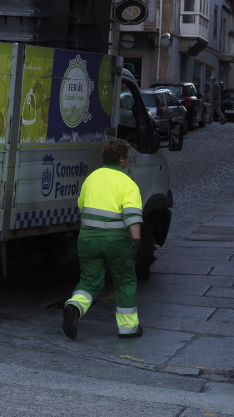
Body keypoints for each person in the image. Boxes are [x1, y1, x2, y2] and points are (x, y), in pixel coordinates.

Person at [62, 138, 143, 340]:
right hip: (116, 241)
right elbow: (132, 214)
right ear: (122, 160)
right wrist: (137, 240)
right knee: (125, 281)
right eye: (127, 158)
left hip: (89, 239)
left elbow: (81, 205)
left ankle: (74, 306)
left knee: (89, 281)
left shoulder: (91, 178)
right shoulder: (127, 183)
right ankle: (128, 328)